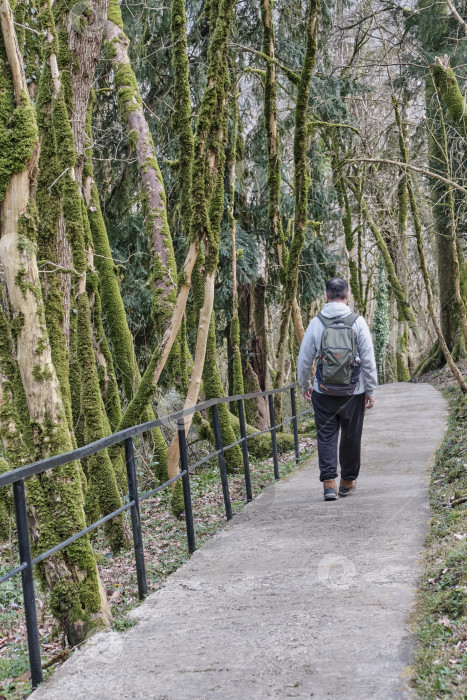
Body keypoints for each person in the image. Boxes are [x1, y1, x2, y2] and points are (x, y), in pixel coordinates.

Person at [297, 277, 377, 501]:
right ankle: (348, 482)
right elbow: (369, 360)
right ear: (347, 295)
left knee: (326, 435)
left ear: (326, 295)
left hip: (323, 391)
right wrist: (370, 389)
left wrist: (305, 385)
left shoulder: (316, 322)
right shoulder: (358, 322)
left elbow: (304, 358)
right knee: (351, 436)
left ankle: (329, 484)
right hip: (354, 391)